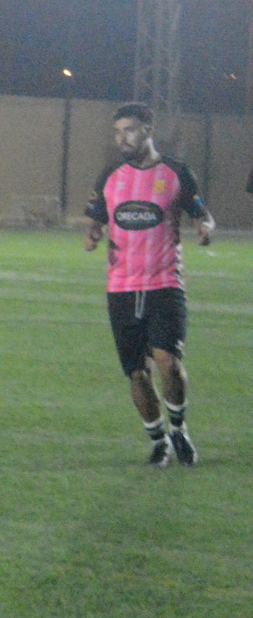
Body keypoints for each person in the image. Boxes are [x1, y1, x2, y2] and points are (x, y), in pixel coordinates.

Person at [84, 102, 214, 467]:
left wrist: (205, 227)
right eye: (117, 132)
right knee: (137, 373)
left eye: (128, 130)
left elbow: (203, 214)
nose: (121, 138)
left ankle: (179, 429)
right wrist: (93, 233)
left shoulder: (176, 172)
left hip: (164, 283)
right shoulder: (109, 174)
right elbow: (96, 218)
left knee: (168, 362)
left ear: (147, 129)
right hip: (121, 287)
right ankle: (158, 440)